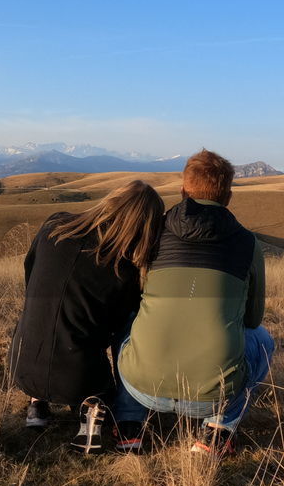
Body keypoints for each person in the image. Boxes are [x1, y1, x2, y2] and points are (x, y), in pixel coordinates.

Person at [114, 149, 274, 457]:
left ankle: (129, 425)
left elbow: (137, 294)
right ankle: (217, 431)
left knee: (130, 321)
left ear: (183, 190)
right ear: (227, 195)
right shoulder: (247, 243)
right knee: (263, 341)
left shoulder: (154, 231)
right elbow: (253, 320)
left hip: (141, 386)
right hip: (211, 397)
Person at [8, 180, 164, 453]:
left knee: (43, 316)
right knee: (124, 330)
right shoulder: (123, 269)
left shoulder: (54, 225)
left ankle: (37, 406)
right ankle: (91, 403)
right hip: (77, 376)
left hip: (21, 363)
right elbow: (114, 328)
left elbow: (30, 271)